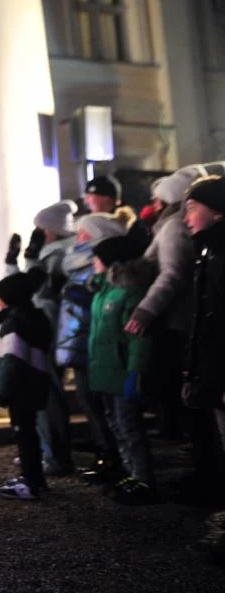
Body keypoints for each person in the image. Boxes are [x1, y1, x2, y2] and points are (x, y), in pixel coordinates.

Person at [125, 168, 199, 442]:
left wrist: (145, 310)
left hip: (176, 319)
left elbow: (172, 273)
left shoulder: (173, 227)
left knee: (174, 382)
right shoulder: (170, 225)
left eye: (157, 200)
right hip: (176, 316)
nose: (152, 206)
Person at [55, 211, 129, 479]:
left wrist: (77, 295)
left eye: (84, 232)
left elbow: (102, 300)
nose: (78, 237)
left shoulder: (101, 261)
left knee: (98, 403)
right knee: (90, 402)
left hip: (92, 339)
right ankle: (108, 456)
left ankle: (114, 461)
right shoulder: (79, 260)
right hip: (78, 338)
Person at [6, 200, 76, 476]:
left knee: (46, 395)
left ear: (51, 230)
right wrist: (16, 263)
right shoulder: (53, 253)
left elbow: (35, 290)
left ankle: (54, 456)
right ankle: (48, 452)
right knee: (43, 393)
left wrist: (25, 261)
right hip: (43, 326)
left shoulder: (59, 255)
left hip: (46, 327)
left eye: (40, 228)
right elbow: (18, 289)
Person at [88, 236, 156, 504]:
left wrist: (135, 371)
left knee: (130, 427)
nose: (93, 262)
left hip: (121, 370)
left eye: (98, 258)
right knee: (116, 425)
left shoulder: (130, 292)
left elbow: (138, 338)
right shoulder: (104, 290)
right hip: (104, 370)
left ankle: (144, 478)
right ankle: (130, 473)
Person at [0, 268, 52, 500]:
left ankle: (31, 481)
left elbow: (12, 360)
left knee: (24, 433)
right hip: (35, 382)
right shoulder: (36, 317)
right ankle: (35, 477)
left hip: (20, 388)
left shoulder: (15, 323)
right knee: (29, 432)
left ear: (6, 299)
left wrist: (2, 391)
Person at [180, 176, 225, 504]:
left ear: (219, 212)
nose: (185, 218)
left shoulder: (220, 255)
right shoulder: (208, 252)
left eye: (193, 208)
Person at [83, 174, 151, 249]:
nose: (86, 201)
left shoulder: (132, 225)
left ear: (106, 197)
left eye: (89, 196)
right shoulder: (88, 221)